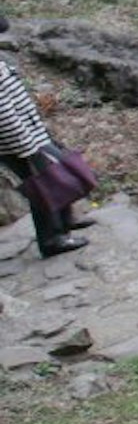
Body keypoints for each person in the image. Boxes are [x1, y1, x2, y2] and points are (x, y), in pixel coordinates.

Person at [0, 16, 90, 259]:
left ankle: (65, 220)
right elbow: (3, 114)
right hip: (16, 141)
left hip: (29, 133)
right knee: (41, 182)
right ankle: (52, 239)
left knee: (56, 169)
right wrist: (26, 145)